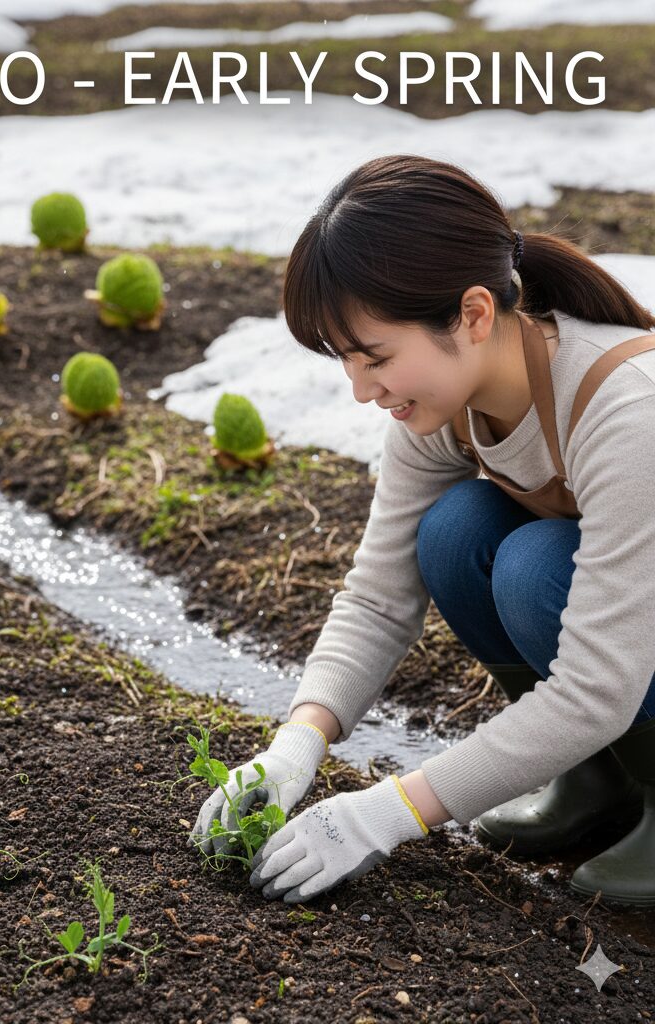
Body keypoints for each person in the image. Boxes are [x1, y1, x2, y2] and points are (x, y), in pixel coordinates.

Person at [192, 154, 655, 907]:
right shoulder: (443, 409)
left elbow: (596, 688)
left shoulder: (627, 410)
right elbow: (379, 596)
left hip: (625, 663)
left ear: (473, 315)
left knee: (534, 566)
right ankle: (596, 778)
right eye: (346, 362)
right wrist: (296, 743)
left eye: (374, 357)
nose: (360, 390)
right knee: (453, 531)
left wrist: (390, 811)